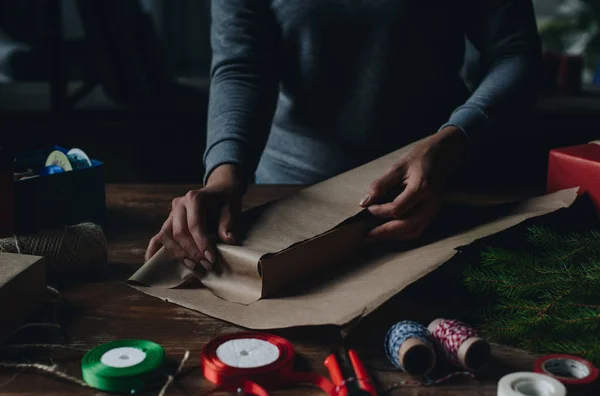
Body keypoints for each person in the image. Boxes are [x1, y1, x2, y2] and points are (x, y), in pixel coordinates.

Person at [145, 0, 542, 271]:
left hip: (433, 191)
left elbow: (515, 52)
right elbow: (242, 66)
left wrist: (453, 140)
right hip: (287, 197)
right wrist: (224, 176)